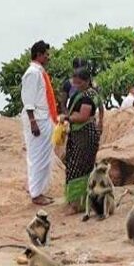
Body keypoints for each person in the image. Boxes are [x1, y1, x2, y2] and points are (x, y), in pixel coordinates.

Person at [20, 40, 58, 205]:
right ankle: (36, 193)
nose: (48, 57)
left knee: (45, 157)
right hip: (37, 119)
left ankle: (40, 191)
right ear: (39, 55)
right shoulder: (32, 73)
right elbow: (28, 100)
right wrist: (33, 121)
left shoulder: (39, 72)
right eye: (46, 54)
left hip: (45, 117)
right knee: (37, 158)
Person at [61, 68, 102, 212]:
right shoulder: (86, 93)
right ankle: (79, 200)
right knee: (76, 166)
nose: (76, 85)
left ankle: (78, 203)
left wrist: (67, 118)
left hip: (84, 135)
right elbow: (100, 110)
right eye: (75, 82)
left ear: (86, 81)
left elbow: (83, 116)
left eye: (79, 83)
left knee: (79, 167)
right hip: (80, 134)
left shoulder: (88, 96)